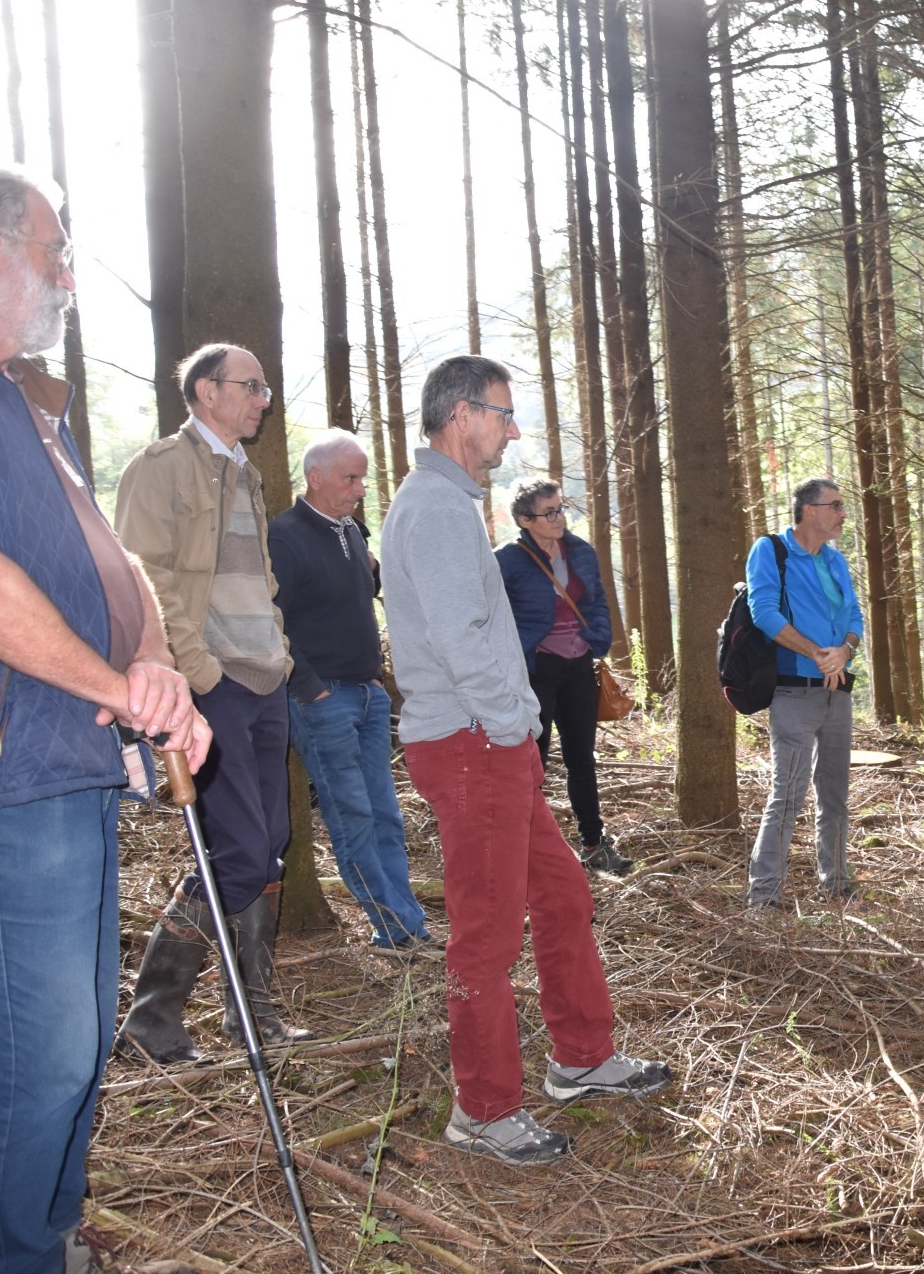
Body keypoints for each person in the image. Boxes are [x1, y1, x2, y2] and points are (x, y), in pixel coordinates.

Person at [0, 162, 210, 1273]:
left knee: (69, 1052)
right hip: (3, 778)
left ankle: (48, 1238)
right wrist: (117, 689)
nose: (68, 273)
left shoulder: (19, 398)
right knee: (36, 1053)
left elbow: (109, 566)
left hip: (68, 768)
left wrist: (154, 667)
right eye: (51, 249)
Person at [383, 355, 669, 1166]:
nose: (512, 429)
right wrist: (514, 723)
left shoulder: (448, 503)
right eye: (503, 413)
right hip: (474, 742)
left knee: (559, 890)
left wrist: (515, 730)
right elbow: (461, 637)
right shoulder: (435, 509)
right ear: (460, 414)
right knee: (485, 931)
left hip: (492, 741)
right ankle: (483, 1106)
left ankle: (579, 1055)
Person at [113, 343, 316, 1064]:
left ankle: (248, 1014)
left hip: (266, 678)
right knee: (236, 846)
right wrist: (194, 670)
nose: (263, 397)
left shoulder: (247, 473)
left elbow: (255, 576)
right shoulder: (159, 469)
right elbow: (141, 576)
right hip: (210, 681)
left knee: (268, 845)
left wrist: (281, 649)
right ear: (205, 391)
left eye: (263, 385)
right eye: (249, 385)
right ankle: (153, 1017)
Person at [270, 429, 437, 956]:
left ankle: (408, 925)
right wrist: (308, 687)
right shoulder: (285, 536)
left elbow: (358, 594)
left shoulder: (349, 532)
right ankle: (393, 929)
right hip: (324, 699)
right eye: (350, 477)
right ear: (315, 478)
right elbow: (269, 620)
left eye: (363, 477)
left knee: (386, 814)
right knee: (353, 818)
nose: (361, 487)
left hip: (368, 695)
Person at [743, 477, 864, 914]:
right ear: (809, 510)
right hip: (793, 691)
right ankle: (765, 895)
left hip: (837, 692)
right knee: (788, 794)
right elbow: (765, 613)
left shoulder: (835, 560)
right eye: (835, 506)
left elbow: (854, 613)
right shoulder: (771, 550)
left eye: (842, 505)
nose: (842, 513)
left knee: (834, 792)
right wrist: (816, 653)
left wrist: (845, 650)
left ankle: (836, 882)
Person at [495, 478, 626, 875]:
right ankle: (527, 850)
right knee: (532, 759)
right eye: (548, 512)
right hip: (537, 670)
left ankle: (594, 844)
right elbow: (494, 614)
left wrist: (597, 639)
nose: (558, 518)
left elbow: (597, 600)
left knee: (581, 759)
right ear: (525, 520)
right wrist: (519, 650)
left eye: (560, 509)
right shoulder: (507, 559)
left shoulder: (581, 551)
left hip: (579, 666)